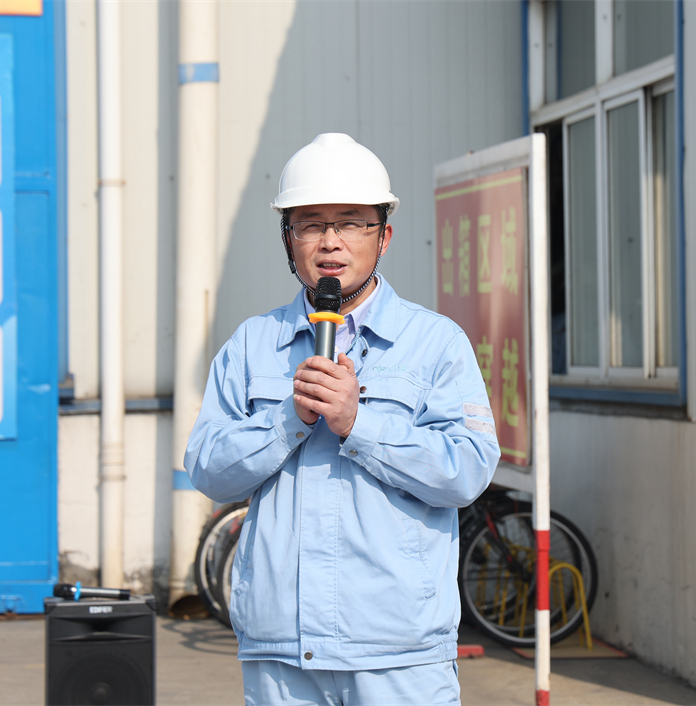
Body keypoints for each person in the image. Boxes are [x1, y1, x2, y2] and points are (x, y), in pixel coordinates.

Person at [186, 133, 500, 705]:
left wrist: (361, 425)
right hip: (282, 651)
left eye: (351, 223)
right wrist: (287, 421)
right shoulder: (252, 344)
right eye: (310, 224)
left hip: (398, 652)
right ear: (289, 238)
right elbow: (208, 469)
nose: (330, 242)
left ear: (383, 236)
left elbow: (469, 471)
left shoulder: (435, 343)